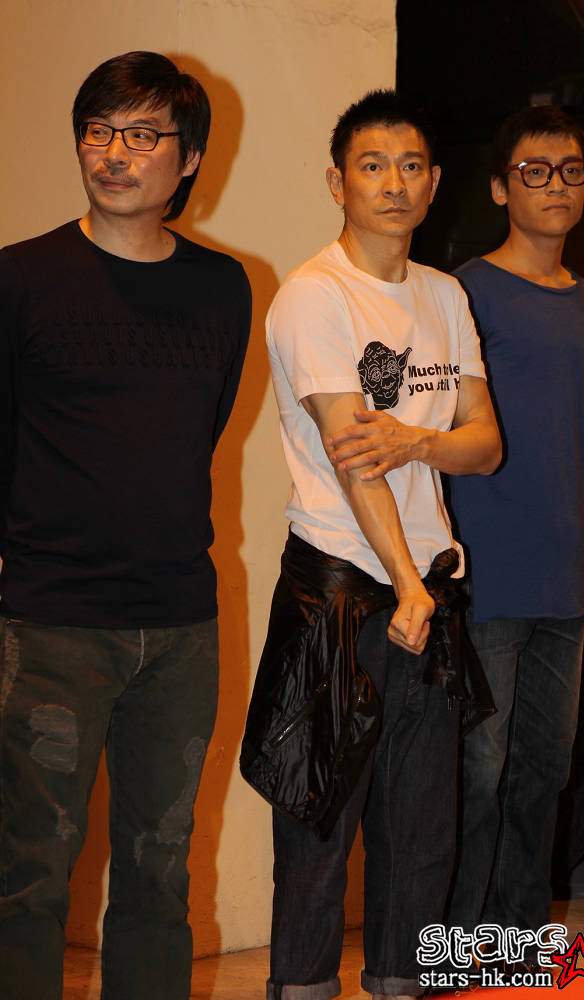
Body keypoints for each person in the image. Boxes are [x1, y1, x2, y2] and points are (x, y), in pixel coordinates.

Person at [330, 104, 584, 961]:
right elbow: (433, 430)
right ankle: (454, 954)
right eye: (534, 171)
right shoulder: (462, 293)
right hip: (481, 573)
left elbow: (567, 437)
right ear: (497, 188)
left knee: (545, 771)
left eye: (571, 171)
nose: (555, 186)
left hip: (563, 578)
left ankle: (518, 949)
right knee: (476, 773)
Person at [0, 51, 251, 1000]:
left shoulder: (224, 288)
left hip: (180, 626)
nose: (114, 153)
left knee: (160, 871)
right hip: (51, 622)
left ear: (189, 159)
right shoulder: (20, 278)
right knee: (28, 872)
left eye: (143, 135)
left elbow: (201, 429)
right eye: (99, 130)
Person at [246, 89, 500, 1000]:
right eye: (372, 165)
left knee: (422, 829)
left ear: (433, 184)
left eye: (410, 166)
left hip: (428, 588)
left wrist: (418, 443)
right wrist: (407, 585)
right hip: (339, 590)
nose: (393, 183)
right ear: (337, 183)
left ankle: (403, 984)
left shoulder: (444, 293)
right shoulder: (313, 297)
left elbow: (484, 444)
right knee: (319, 822)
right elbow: (355, 459)